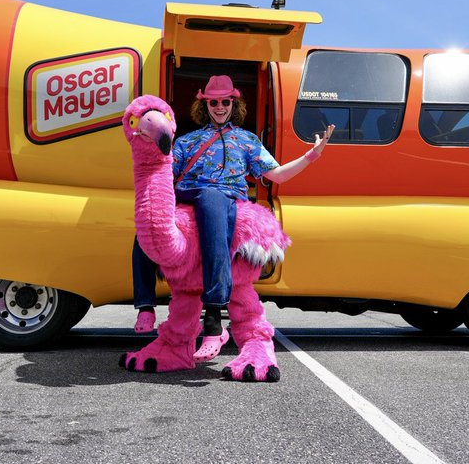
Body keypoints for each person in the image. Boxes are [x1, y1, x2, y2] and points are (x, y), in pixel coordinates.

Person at [132, 75, 334, 360]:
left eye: (225, 101)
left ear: (233, 104)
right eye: (213, 102)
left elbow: (275, 174)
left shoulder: (246, 140)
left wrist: (310, 157)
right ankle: (145, 305)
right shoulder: (188, 140)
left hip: (223, 197)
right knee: (148, 223)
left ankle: (213, 318)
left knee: (213, 209)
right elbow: (164, 169)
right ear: (205, 105)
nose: (219, 107)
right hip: (188, 195)